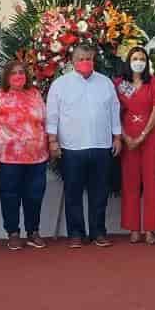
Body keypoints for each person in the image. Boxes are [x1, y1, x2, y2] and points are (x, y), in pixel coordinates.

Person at [47, 42, 122, 248]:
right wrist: (53, 141)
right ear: (72, 61)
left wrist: (117, 137)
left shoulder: (105, 83)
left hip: (101, 145)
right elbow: (52, 115)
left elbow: (114, 111)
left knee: (99, 193)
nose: (85, 62)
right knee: (73, 193)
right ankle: (76, 233)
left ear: (93, 60)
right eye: (81, 59)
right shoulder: (60, 85)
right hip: (72, 148)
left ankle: (98, 231)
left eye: (88, 59)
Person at [0, 60, 50, 250]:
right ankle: (13, 233)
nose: (18, 76)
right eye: (14, 73)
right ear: (7, 77)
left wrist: (51, 145)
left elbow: (45, 122)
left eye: (21, 72)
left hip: (37, 158)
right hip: (8, 159)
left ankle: (33, 232)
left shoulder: (35, 94)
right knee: (10, 196)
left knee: (34, 196)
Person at [116, 46, 155, 244]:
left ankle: (150, 229)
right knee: (130, 183)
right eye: (135, 58)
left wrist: (142, 136)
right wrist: (125, 135)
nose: (138, 61)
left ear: (147, 62)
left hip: (150, 138)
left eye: (142, 58)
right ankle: (133, 228)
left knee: (151, 183)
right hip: (128, 139)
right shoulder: (120, 84)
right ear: (128, 61)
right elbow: (115, 112)